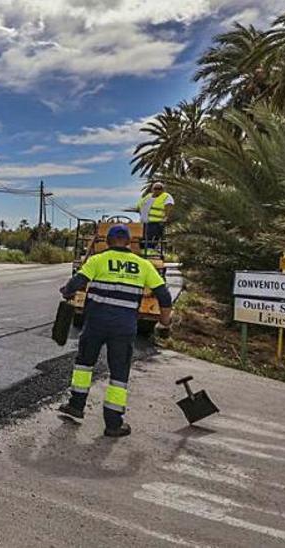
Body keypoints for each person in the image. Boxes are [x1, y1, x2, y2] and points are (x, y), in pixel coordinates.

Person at [57, 225, 172, 437]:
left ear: (108, 241)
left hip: (95, 324)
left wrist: (67, 291)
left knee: (84, 364)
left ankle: (76, 406)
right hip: (124, 327)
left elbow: (77, 282)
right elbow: (164, 295)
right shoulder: (143, 265)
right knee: (119, 374)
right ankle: (113, 423)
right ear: (129, 243)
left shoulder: (98, 260)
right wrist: (164, 320)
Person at [134, 182, 174, 253]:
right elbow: (139, 206)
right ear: (152, 189)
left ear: (163, 189)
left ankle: (149, 253)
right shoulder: (148, 196)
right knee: (142, 239)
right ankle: (142, 252)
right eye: (155, 188)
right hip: (144, 223)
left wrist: (166, 218)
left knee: (151, 240)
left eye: (159, 188)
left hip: (156, 222)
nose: (157, 190)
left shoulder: (166, 196)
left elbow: (169, 206)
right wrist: (142, 214)